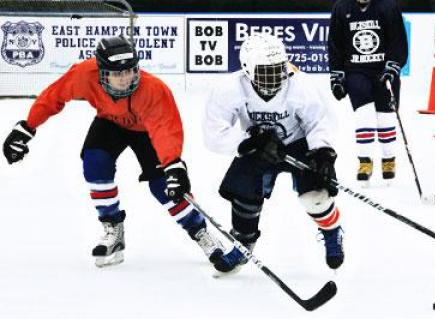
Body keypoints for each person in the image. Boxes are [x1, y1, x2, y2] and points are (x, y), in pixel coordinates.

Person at [2, 35, 225, 268]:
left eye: (129, 71)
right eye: (117, 73)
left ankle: (201, 232)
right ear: (101, 72)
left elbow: (165, 129)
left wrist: (173, 166)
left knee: (164, 186)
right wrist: (27, 128)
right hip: (110, 122)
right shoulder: (83, 75)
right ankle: (113, 229)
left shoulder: (154, 89)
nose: (125, 78)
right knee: (94, 164)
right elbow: (53, 97)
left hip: (146, 131)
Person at [203, 33, 344, 274]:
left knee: (315, 195)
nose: (275, 77)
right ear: (247, 69)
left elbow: (319, 122)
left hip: (299, 144)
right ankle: (243, 243)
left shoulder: (301, 85)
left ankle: (332, 233)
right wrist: (246, 142)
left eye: (279, 69)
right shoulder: (230, 89)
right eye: (266, 71)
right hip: (257, 147)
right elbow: (214, 134)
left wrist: (322, 153)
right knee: (244, 192)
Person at [328, 0, 408, 184]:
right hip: (355, 71)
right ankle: (365, 162)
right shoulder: (342, 7)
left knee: (385, 117)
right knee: (363, 115)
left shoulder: (388, 6)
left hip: (383, 70)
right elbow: (335, 44)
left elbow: (398, 40)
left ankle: (388, 160)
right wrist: (337, 76)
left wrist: (392, 67)